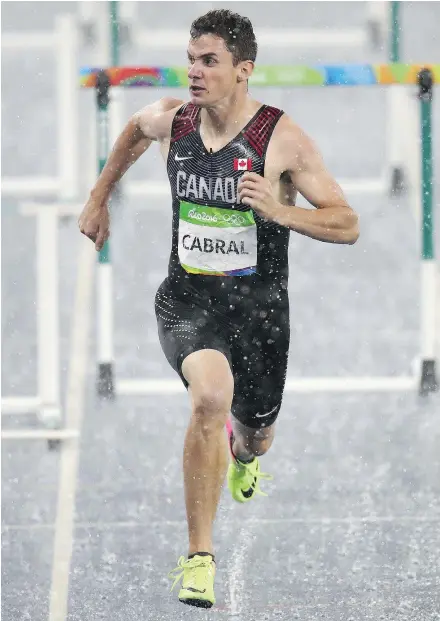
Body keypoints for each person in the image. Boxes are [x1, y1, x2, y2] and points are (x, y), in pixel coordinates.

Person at [78, 9, 360, 609]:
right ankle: (199, 557)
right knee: (209, 396)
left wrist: (280, 211)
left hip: (259, 314)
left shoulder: (280, 139)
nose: (195, 73)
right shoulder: (174, 122)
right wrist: (99, 199)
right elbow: (132, 131)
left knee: (256, 433)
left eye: (210, 62)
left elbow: (347, 222)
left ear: (243, 71)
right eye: (192, 60)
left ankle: (243, 451)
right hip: (188, 302)